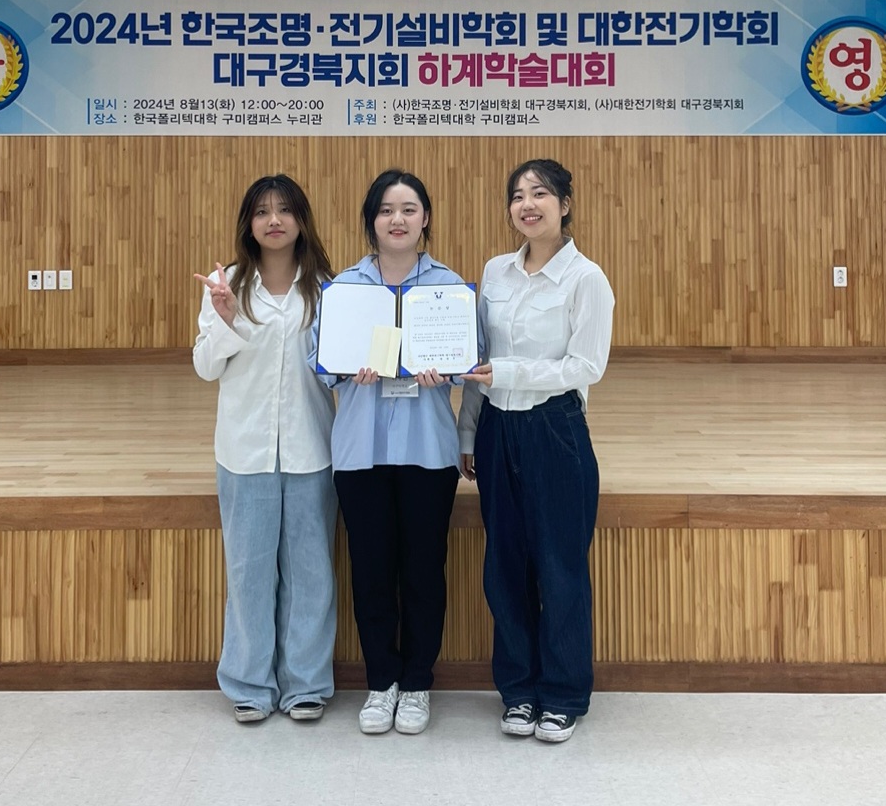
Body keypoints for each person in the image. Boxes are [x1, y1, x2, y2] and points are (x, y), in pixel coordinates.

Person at [459, 159, 614, 744]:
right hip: (497, 429)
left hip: (555, 430)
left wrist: (512, 373)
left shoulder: (586, 279)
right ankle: (518, 691)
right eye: (518, 195)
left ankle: (565, 695)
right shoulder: (494, 273)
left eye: (541, 193)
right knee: (505, 567)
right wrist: (468, 434)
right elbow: (479, 360)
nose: (528, 204)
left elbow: (585, 366)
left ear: (565, 205)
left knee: (560, 567)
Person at [313, 169, 463, 736]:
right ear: (370, 221)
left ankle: (417, 683)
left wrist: (445, 370)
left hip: (428, 450)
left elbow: (467, 365)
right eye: (385, 210)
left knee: (424, 570)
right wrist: (346, 366)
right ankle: (382, 682)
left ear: (426, 219)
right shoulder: (343, 289)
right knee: (372, 570)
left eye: (408, 209)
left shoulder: (449, 287)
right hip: (361, 451)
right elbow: (321, 364)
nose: (396, 219)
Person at [192, 174, 338, 724]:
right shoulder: (225, 284)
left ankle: (305, 683)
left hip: (310, 447)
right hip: (244, 448)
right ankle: (249, 684)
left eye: (284, 210)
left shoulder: (327, 288)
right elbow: (206, 367)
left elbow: (336, 369)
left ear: (301, 219)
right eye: (261, 211)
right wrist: (226, 319)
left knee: (310, 573)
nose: (273, 220)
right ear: (248, 223)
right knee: (249, 571)